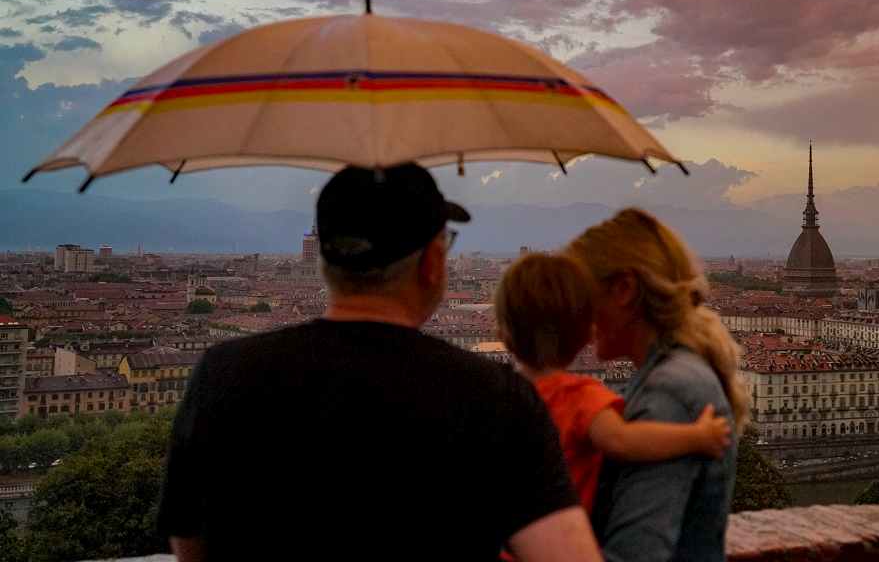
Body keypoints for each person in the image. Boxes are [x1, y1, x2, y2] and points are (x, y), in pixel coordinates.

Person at [159, 164, 602, 562]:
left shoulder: (223, 374)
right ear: (432, 263)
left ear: (325, 261)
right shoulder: (497, 397)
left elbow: (190, 545)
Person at [566, 208, 749, 562]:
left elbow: (635, 555)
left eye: (581, 292)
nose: (576, 310)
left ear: (623, 290)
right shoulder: (673, 375)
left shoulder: (670, 392)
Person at [493, 252, 732, 513]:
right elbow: (623, 441)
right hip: (567, 537)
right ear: (587, 333)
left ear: (502, 333)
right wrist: (698, 437)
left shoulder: (499, 394)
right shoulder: (578, 397)